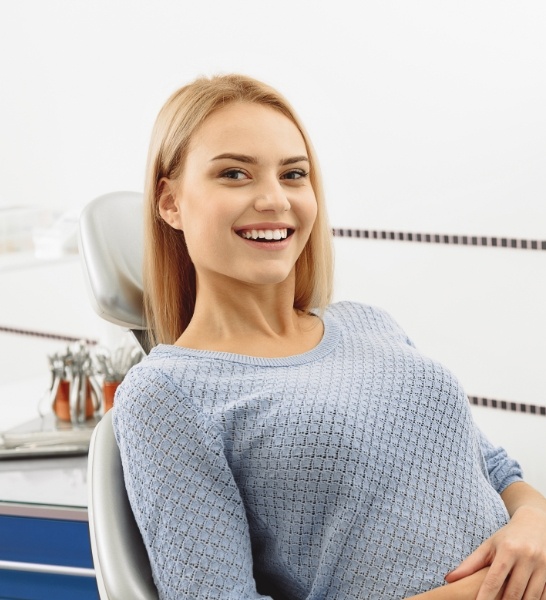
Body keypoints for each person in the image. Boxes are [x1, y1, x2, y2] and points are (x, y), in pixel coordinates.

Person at [112, 73, 546, 599]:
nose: (274, 199)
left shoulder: (369, 323)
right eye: (234, 174)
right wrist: (492, 592)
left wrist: (534, 523)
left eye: (294, 174)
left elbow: (495, 470)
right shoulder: (166, 394)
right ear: (170, 202)